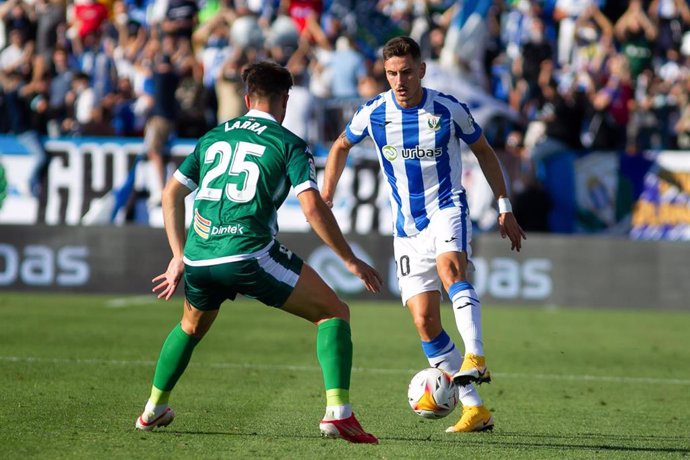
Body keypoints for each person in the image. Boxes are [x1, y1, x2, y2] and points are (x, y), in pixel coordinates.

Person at [135, 61, 382, 444]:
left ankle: (153, 409)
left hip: (200, 256)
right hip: (247, 253)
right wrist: (350, 260)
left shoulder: (213, 137)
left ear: (247, 97)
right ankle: (339, 414)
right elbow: (313, 207)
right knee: (334, 312)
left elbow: (171, 194)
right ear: (285, 100)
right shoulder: (289, 144)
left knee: (190, 326)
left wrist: (178, 255)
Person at [321, 36, 526, 433]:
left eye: (407, 72)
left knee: (452, 273)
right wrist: (327, 191)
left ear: (422, 70)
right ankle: (474, 409)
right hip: (406, 229)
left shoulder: (448, 110)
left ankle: (476, 356)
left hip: (448, 208)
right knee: (424, 321)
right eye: (392, 73)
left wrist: (504, 206)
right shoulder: (373, 112)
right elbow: (341, 145)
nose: (399, 81)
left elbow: (484, 150)